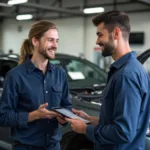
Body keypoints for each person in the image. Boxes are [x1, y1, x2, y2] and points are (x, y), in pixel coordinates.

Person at [65, 10, 150, 150]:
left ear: (116, 33)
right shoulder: (131, 69)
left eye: (100, 34)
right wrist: (90, 120)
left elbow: (123, 132)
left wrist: (85, 129)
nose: (97, 41)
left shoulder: (126, 75)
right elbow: (126, 122)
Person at [0, 20, 72, 150]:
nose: (55, 45)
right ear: (35, 41)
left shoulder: (60, 74)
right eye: (50, 40)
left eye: (57, 41)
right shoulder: (15, 76)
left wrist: (64, 117)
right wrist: (34, 115)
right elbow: (3, 116)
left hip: (53, 146)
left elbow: (66, 105)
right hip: (26, 147)